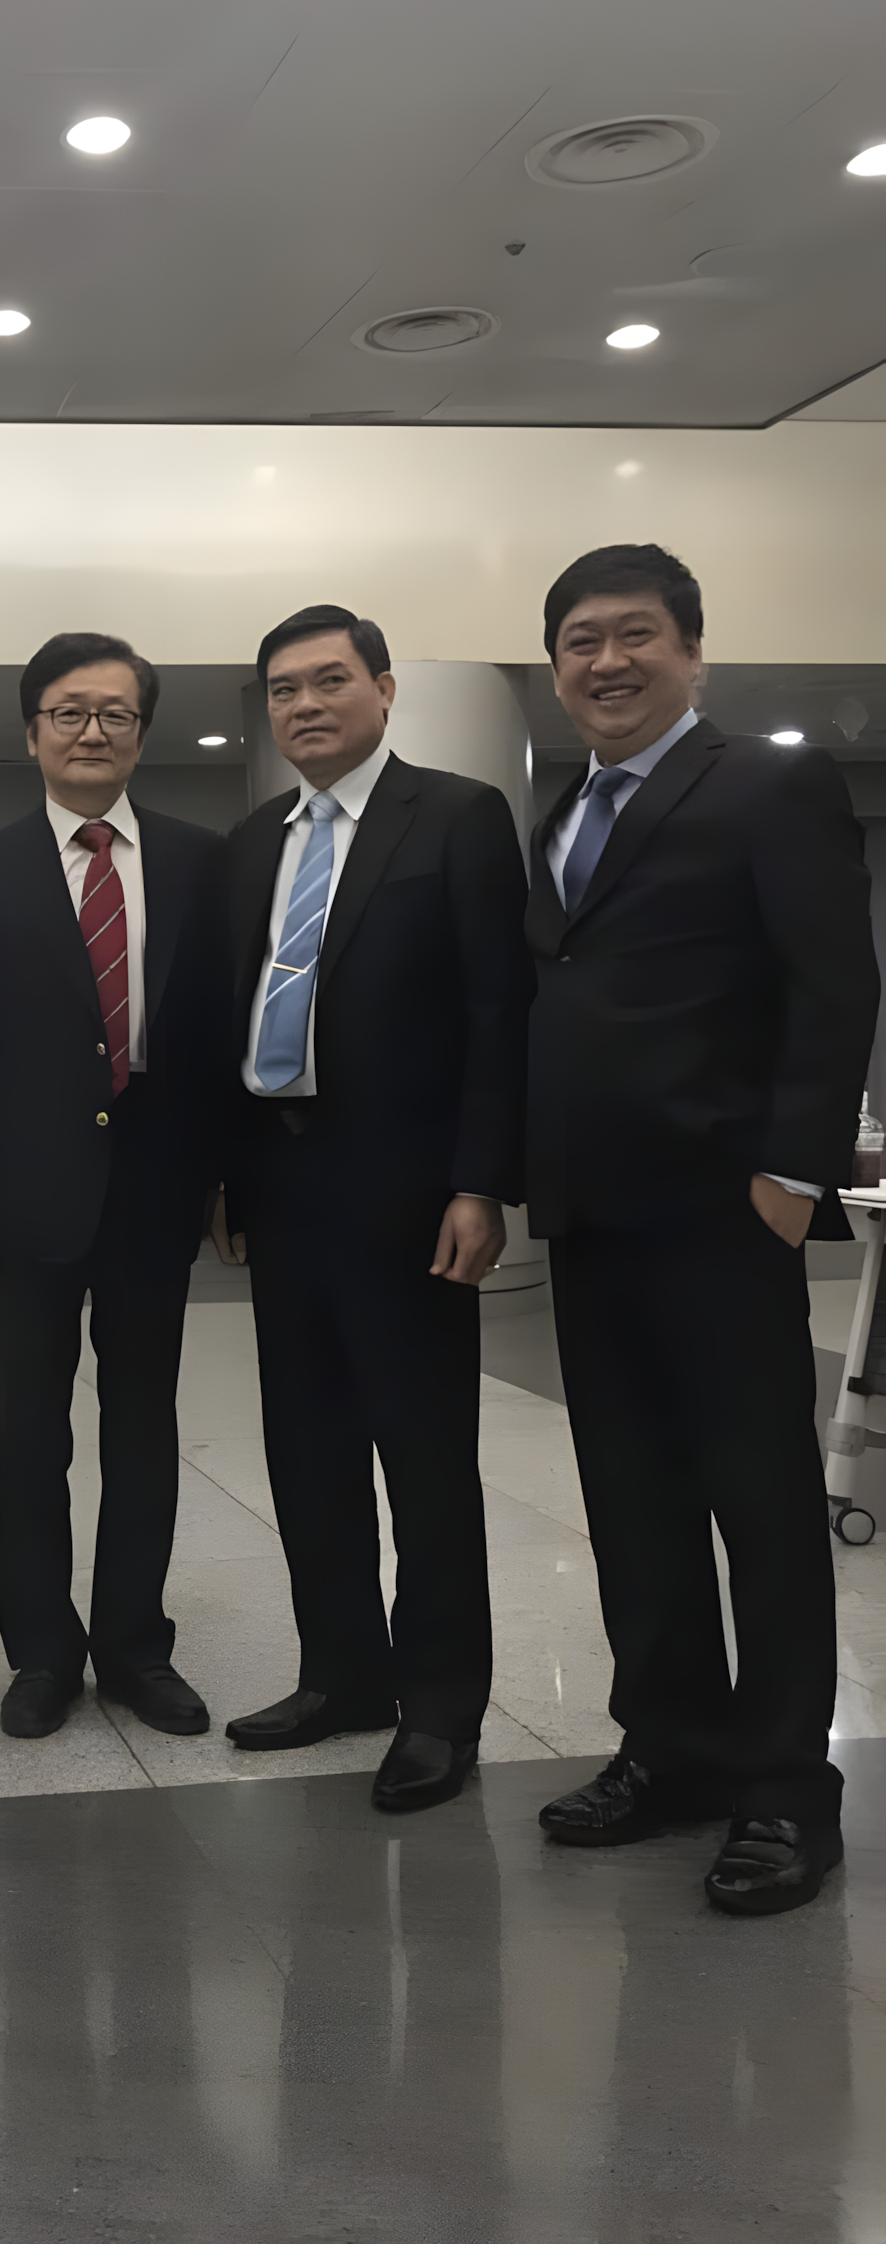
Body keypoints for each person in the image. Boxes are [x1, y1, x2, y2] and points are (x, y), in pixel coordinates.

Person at [527, 544, 878, 1916]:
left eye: (632, 637)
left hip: (723, 1214)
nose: (604, 663)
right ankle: (668, 1748)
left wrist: (793, 1173)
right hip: (596, 1220)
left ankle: (791, 1790)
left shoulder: (766, 783)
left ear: (692, 650)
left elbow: (832, 984)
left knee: (764, 1506)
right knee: (634, 1504)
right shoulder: (565, 810)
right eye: (578, 644)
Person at [214, 607, 531, 1811]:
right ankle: (343, 1672)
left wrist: (480, 1179)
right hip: (284, 1189)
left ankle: (443, 1703)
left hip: (410, 1196)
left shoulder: (454, 817)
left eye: (330, 680)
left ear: (385, 690)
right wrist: (234, 1185)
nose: (305, 703)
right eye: (283, 687)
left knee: (425, 1455)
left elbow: (500, 1012)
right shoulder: (256, 842)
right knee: (306, 1449)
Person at [0, 633, 226, 1740]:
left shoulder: (207, 861)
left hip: (157, 1191)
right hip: (21, 1197)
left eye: (116, 713)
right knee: (30, 1433)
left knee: (145, 1425)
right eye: (69, 712)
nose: (92, 731)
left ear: (142, 735)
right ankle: (41, 1654)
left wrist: (224, 1180)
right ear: (31, 732)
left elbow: (216, 1038)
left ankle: (132, 1646)